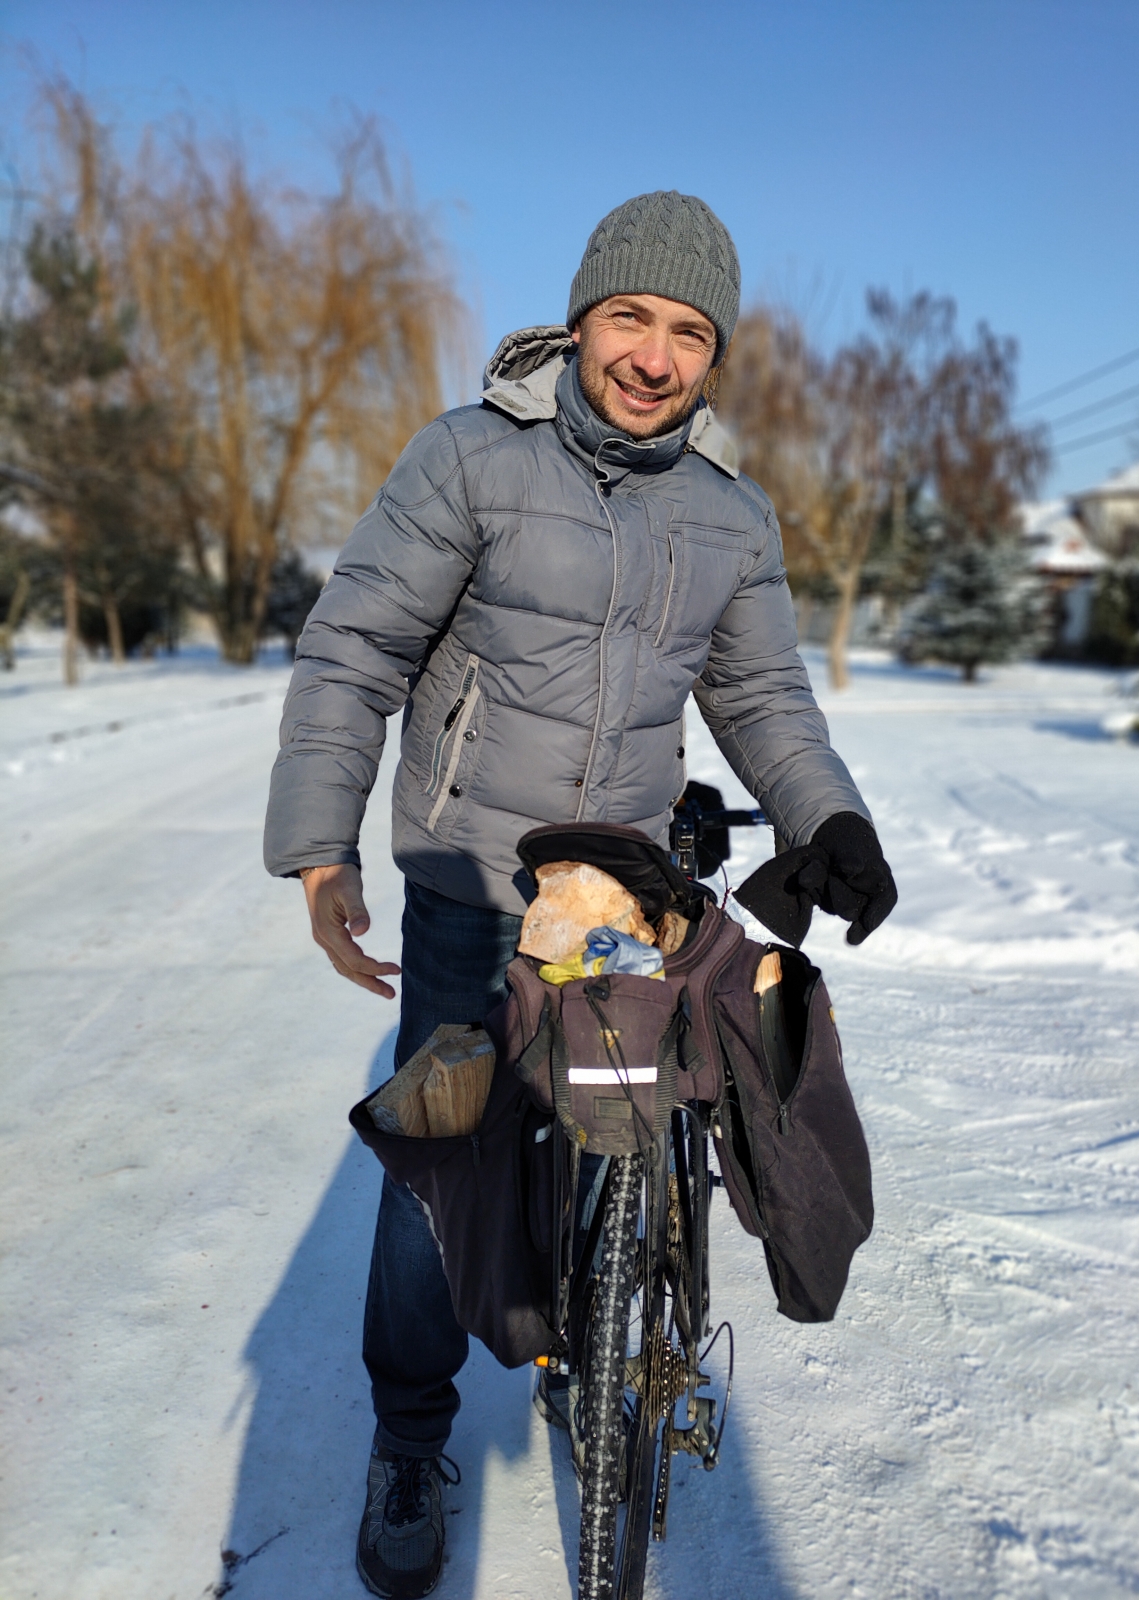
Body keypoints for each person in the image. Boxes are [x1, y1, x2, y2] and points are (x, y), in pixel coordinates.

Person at [264, 190, 896, 1599]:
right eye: (631, 318)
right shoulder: (471, 459)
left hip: (623, 890)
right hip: (473, 881)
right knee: (445, 1166)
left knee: (622, 1126)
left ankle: (597, 1327)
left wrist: (829, 816)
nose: (655, 357)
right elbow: (355, 649)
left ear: (715, 355)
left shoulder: (730, 515)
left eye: (690, 333)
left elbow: (762, 695)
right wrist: (320, 849)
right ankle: (410, 1437)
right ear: (580, 319)